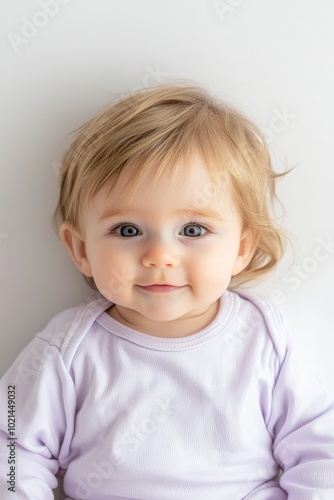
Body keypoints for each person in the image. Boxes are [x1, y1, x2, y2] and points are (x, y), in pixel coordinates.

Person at [0, 82, 333, 499]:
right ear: (82, 249)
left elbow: (321, 448)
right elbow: (12, 449)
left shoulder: (266, 337)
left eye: (193, 230)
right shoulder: (66, 350)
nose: (160, 256)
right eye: (127, 230)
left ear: (242, 248)